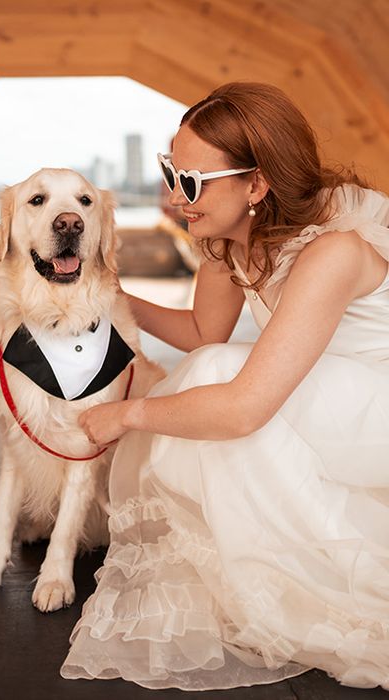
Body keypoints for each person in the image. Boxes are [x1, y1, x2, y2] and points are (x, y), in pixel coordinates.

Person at [61, 82, 389, 690]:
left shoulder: (333, 252)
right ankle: (268, 563)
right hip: (312, 399)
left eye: (191, 182)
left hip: (378, 413)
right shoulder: (228, 241)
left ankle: (304, 572)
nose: (173, 196)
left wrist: (128, 416)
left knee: (220, 380)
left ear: (257, 185)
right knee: (215, 360)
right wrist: (110, 297)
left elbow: (242, 408)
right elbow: (200, 332)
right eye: (171, 173)